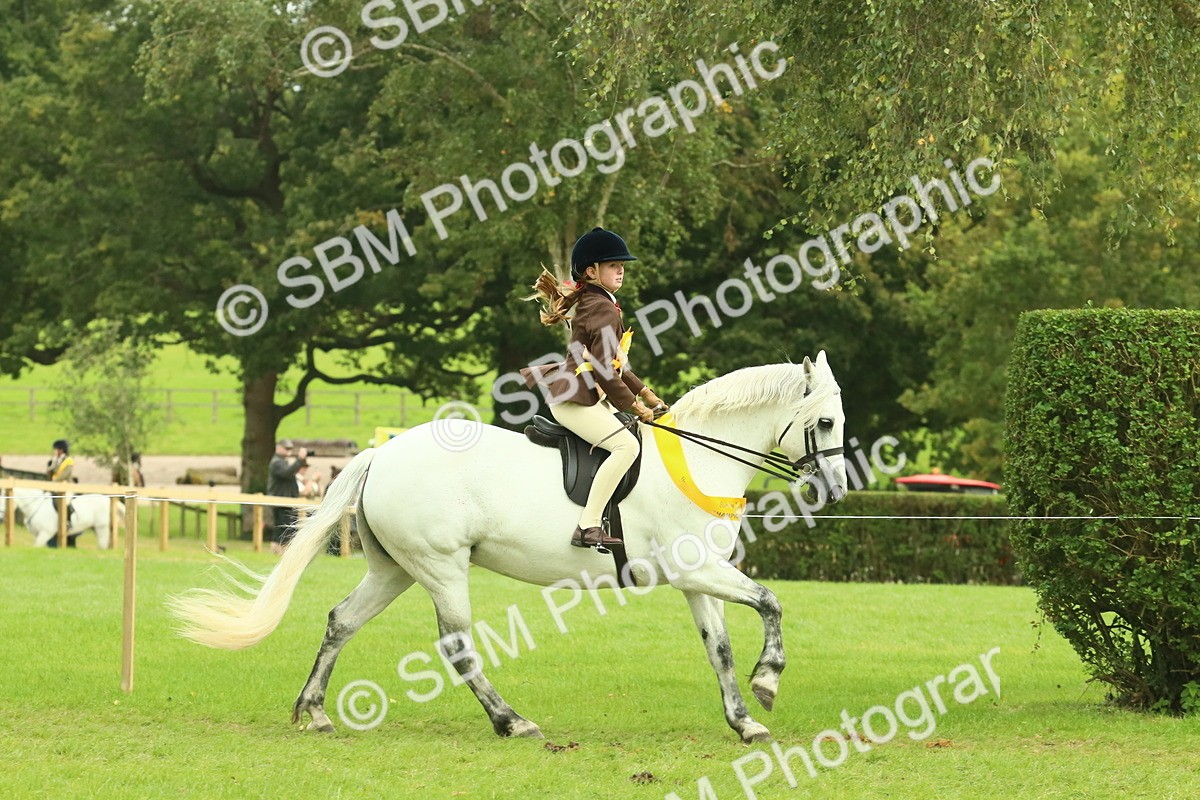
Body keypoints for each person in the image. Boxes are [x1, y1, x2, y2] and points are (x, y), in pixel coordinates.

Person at [521, 226, 669, 550]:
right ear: (592, 271)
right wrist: (637, 407)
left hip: (586, 394)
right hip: (577, 399)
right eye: (613, 264)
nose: (621, 270)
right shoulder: (601, 306)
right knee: (626, 448)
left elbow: (613, 364)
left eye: (622, 265)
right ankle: (587, 525)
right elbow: (604, 370)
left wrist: (646, 393)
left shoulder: (600, 301)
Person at [267, 438, 308, 554]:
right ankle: (278, 550)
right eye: (286, 448)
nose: (289, 450)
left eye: (290, 448)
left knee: (283, 526)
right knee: (281, 526)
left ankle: (280, 550)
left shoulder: (281, 461)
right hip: (280, 499)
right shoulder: (276, 462)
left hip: (284, 499)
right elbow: (286, 472)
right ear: (278, 448)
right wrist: (299, 460)